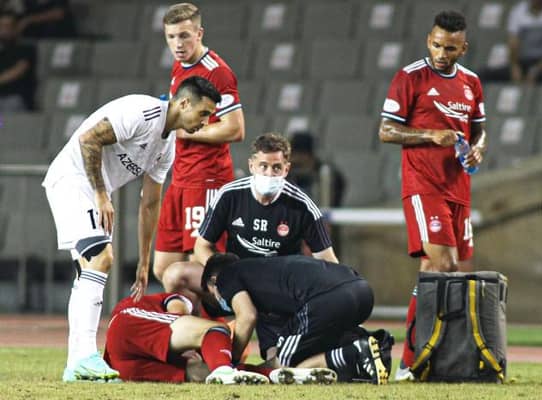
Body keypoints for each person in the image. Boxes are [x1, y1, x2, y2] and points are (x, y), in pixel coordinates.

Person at [41, 76, 221, 382]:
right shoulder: (143, 111)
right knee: (101, 258)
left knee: (88, 271)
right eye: (203, 114)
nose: (204, 123)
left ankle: (75, 365)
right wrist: (100, 194)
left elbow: (150, 203)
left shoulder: (167, 147)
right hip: (73, 181)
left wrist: (144, 261)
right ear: (184, 103)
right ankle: (86, 356)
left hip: (91, 189)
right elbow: (88, 139)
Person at [377, 10, 487, 380]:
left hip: (459, 188)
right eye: (437, 45)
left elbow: (480, 131)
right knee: (443, 267)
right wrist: (429, 134)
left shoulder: (472, 82)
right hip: (424, 187)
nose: (442, 53)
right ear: (429, 40)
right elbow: (386, 131)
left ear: (463, 48)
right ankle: (413, 360)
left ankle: (413, 362)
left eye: (451, 48)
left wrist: (478, 149)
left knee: (442, 270)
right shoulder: (410, 77)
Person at [162, 133, 339, 301]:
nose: (269, 174)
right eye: (263, 166)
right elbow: (202, 245)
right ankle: (198, 329)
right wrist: (221, 275)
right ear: (251, 166)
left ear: (286, 169)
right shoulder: (229, 195)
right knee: (174, 275)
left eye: (276, 168)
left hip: (280, 284)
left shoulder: (303, 206)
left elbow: (328, 262)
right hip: (236, 278)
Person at [153, 2, 245, 285]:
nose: (177, 44)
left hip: (206, 180)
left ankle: (220, 323)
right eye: (171, 37)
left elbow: (236, 129)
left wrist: (186, 131)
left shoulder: (217, 72)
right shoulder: (179, 65)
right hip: (181, 178)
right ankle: (190, 323)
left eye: (184, 36)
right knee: (163, 268)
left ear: (199, 33)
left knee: (200, 266)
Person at [200, 253, 389, 385]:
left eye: (212, 295)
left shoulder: (227, 275)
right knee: (311, 348)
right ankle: (374, 345)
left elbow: (247, 316)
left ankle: (355, 353)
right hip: (362, 291)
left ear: (214, 280)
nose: (220, 302)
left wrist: (229, 362)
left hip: (328, 298)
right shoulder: (263, 274)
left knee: (284, 365)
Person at [103, 291, 335, 384]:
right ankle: (225, 371)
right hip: (125, 326)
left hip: (122, 367)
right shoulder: (175, 301)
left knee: (199, 373)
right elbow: (176, 305)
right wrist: (189, 339)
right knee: (216, 331)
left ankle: (276, 375)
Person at [483, 0, 542, 83]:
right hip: (524, 62)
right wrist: (514, 67)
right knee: (484, 75)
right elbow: (513, 46)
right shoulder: (517, 11)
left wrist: (537, 69)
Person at [287, 132, 346, 208]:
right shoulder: (288, 173)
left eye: (293, 154)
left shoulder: (326, 174)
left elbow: (331, 205)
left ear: (306, 155)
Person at [0, 10, 36, 111]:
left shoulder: (26, 49)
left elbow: (18, 70)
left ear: (16, 28)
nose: (4, 30)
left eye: (8, 26)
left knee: (3, 122)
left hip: (15, 98)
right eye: (1, 26)